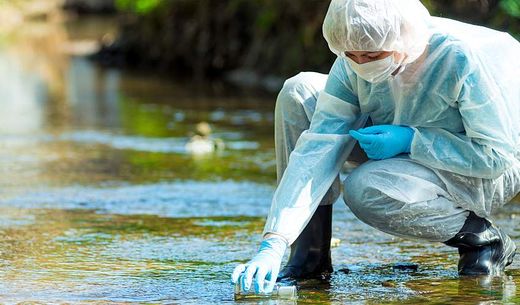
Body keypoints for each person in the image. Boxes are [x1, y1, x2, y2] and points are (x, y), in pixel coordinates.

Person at [231, 0, 520, 294]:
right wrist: (274, 240)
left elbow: (496, 156)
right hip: (395, 137)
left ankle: (482, 239)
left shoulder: (458, 59)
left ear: (401, 42)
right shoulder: (355, 53)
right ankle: (309, 257)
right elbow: (318, 146)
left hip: (483, 167)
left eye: (371, 55)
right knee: (299, 92)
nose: (361, 65)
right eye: (350, 55)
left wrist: (412, 139)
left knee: (364, 188)